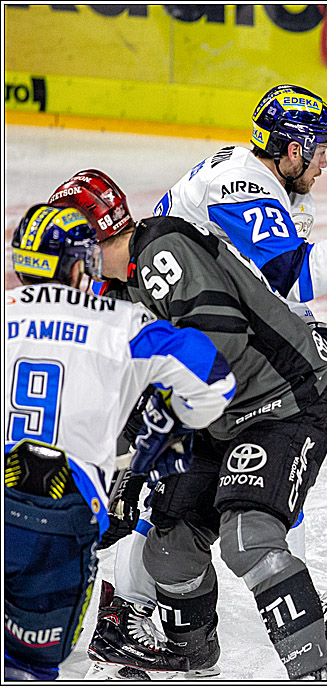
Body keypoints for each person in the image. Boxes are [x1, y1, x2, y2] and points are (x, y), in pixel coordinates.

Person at [79, 197, 327, 678]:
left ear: (95, 237)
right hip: (216, 418)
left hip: (281, 404)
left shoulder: (158, 251)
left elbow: (217, 347)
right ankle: (192, 652)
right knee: (169, 548)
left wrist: (147, 452)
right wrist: (127, 468)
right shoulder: (120, 288)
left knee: (249, 537)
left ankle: (315, 670)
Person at [4, 204, 235, 680]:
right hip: (61, 514)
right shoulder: (122, 323)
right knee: (29, 666)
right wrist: (166, 426)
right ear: (79, 264)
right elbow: (215, 380)